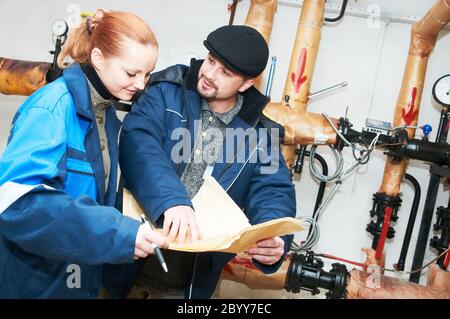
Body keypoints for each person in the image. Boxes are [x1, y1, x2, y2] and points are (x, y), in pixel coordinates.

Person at [120, 25, 296, 299]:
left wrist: (275, 239)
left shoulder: (261, 136)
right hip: (124, 264)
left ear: (247, 84)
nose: (209, 74)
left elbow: (273, 191)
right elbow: (139, 144)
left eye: (225, 72)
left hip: (189, 285)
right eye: (210, 61)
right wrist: (171, 200)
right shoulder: (165, 92)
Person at [0, 9, 167, 298]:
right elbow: (18, 204)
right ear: (98, 58)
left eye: (147, 74)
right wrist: (118, 233)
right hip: (37, 281)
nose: (141, 85)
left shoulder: (104, 111)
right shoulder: (52, 108)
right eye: (132, 73)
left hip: (75, 274)